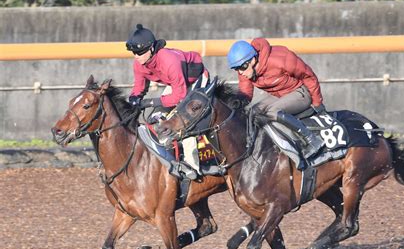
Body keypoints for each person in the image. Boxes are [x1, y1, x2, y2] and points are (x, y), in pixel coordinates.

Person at [126, 24, 209, 174]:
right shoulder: (139, 63)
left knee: (185, 125)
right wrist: (133, 98)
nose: (136, 56)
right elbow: (139, 87)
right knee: (156, 119)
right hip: (177, 85)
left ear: (151, 48)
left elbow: (180, 96)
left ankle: (194, 169)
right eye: (134, 53)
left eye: (139, 52)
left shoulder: (168, 59)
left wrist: (150, 102)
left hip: (196, 80)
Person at [227, 38, 325, 161]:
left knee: (271, 111)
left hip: (300, 93)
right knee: (252, 112)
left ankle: (311, 139)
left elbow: (308, 76)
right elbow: (245, 92)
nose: (241, 73)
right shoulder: (245, 68)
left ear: (252, 60)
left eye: (241, 68)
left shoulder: (280, 58)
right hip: (279, 96)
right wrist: (236, 103)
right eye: (237, 69)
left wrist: (317, 102)